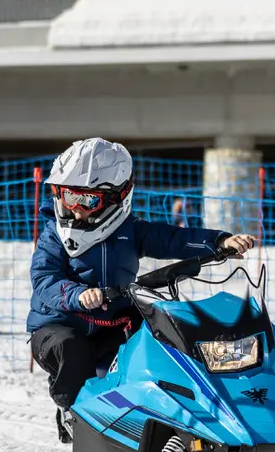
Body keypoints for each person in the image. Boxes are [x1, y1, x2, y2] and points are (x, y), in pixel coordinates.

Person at [27, 138, 256, 432]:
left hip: (113, 322)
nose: (75, 210)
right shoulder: (54, 235)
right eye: (68, 198)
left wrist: (219, 242)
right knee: (72, 348)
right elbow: (44, 279)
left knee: (164, 331)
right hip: (58, 327)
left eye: (87, 201)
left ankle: (177, 407)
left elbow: (173, 238)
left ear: (115, 198)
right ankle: (74, 415)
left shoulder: (129, 232)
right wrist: (78, 294)